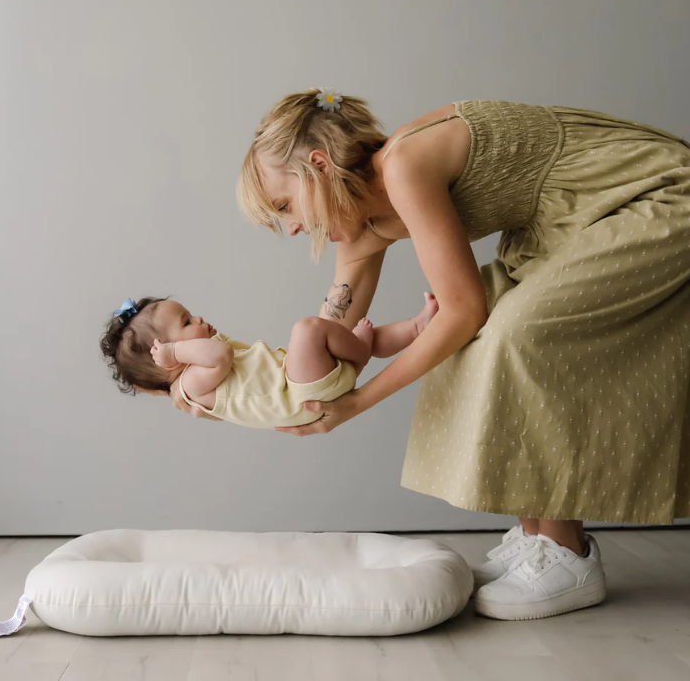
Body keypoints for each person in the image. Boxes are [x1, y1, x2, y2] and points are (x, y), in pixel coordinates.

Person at [169, 88, 690, 621]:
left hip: (646, 194)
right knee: (482, 332)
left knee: (512, 335)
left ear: (319, 167)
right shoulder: (363, 229)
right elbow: (328, 336)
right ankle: (540, 536)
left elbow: (462, 313)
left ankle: (569, 554)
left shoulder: (405, 166)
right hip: (568, 223)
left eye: (285, 206)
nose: (293, 227)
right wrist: (232, 395)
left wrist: (360, 402)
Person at [100, 293, 439, 429]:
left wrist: (179, 348)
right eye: (187, 322)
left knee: (339, 334)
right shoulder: (191, 384)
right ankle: (362, 352)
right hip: (299, 395)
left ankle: (417, 327)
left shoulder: (194, 371)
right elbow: (221, 356)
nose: (199, 319)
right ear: (169, 359)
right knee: (308, 330)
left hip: (300, 381)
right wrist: (176, 353)